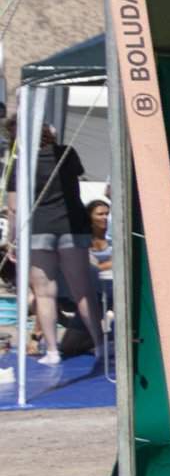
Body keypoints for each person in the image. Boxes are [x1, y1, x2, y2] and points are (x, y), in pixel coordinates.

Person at [25, 125, 102, 369]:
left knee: (45, 293)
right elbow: (78, 174)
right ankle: (99, 343)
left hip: (40, 226)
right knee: (82, 291)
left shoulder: (24, 160)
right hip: (72, 225)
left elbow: (16, 206)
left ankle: (52, 350)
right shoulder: (67, 152)